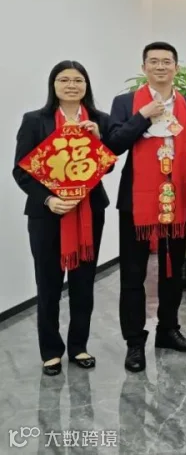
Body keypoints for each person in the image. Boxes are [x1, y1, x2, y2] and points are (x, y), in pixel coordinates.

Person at [13, 61, 111, 375]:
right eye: (64, 79)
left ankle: (79, 346)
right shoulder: (35, 120)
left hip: (89, 212)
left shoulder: (99, 119)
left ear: (86, 85)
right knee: (49, 284)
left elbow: (107, 166)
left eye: (78, 80)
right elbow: (21, 170)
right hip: (46, 215)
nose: (71, 85)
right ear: (53, 85)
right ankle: (51, 352)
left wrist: (98, 139)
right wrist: (49, 199)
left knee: (83, 284)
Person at [107, 42, 186, 373]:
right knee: (133, 274)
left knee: (172, 271)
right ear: (144, 67)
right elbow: (114, 144)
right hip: (137, 201)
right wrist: (142, 116)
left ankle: (168, 330)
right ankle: (134, 342)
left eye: (167, 61)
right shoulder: (125, 103)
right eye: (154, 61)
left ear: (176, 67)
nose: (161, 66)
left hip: (177, 200)